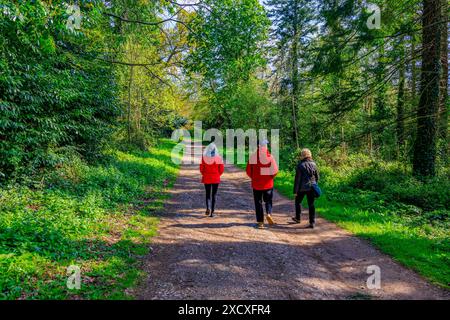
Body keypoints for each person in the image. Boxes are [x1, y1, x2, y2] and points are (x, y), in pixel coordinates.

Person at [246, 139, 279, 229]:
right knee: (268, 201)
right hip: (268, 184)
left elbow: (248, 170)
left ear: (258, 146)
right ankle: (268, 213)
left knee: (258, 203)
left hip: (256, 184)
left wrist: (254, 177)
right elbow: (275, 170)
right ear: (265, 146)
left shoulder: (253, 157)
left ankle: (260, 222)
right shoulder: (270, 157)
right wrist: (270, 177)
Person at [292, 148, 319, 228]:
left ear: (302, 155)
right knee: (311, 204)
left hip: (302, 188)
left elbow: (297, 180)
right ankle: (312, 223)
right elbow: (317, 177)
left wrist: (295, 191)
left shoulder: (300, 165)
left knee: (298, 202)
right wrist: (315, 184)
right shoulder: (314, 164)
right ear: (310, 155)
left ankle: (298, 218)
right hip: (311, 187)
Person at [199, 143, 224, 217]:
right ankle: (212, 213)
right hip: (216, 178)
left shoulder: (204, 158)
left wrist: (205, 174)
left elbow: (201, 169)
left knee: (207, 194)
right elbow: (221, 169)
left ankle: (208, 208)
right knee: (214, 195)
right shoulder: (219, 158)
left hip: (206, 178)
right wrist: (217, 175)